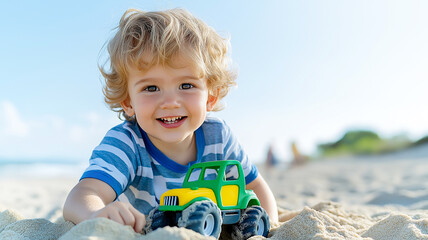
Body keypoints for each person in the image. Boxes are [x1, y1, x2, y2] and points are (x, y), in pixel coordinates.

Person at [63, 8, 278, 233]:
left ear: (210, 97)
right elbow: (84, 193)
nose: (170, 102)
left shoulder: (219, 137)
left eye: (186, 85)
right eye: (151, 88)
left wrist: (270, 224)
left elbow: (254, 186)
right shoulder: (127, 143)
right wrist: (96, 213)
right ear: (128, 102)